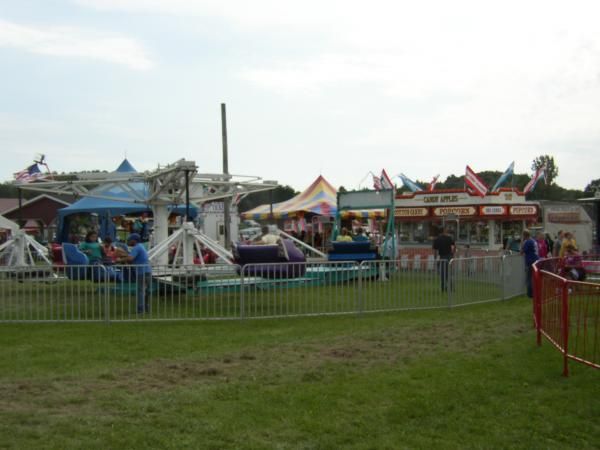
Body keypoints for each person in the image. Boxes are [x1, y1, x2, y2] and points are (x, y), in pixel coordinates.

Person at [119, 233, 152, 314]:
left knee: (140, 291)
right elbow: (133, 257)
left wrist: (119, 260)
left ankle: (140, 310)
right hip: (148, 270)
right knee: (147, 291)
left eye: (129, 240)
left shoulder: (136, 248)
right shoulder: (141, 246)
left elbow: (130, 258)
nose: (128, 242)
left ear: (134, 240)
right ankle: (147, 308)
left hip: (141, 272)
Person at [432, 227, 455, 292]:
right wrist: (452, 255)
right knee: (449, 273)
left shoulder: (437, 239)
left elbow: (435, 250)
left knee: (442, 273)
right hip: (449, 257)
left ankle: (443, 287)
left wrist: (435, 258)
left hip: (442, 257)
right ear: (444, 231)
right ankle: (451, 288)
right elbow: (453, 247)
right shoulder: (449, 238)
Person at [520, 229, 539, 298]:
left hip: (530, 261)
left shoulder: (528, 242)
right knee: (533, 277)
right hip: (536, 260)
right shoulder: (534, 241)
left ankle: (530, 293)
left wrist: (522, 243)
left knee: (529, 278)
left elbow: (522, 251)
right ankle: (535, 292)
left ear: (524, 235)